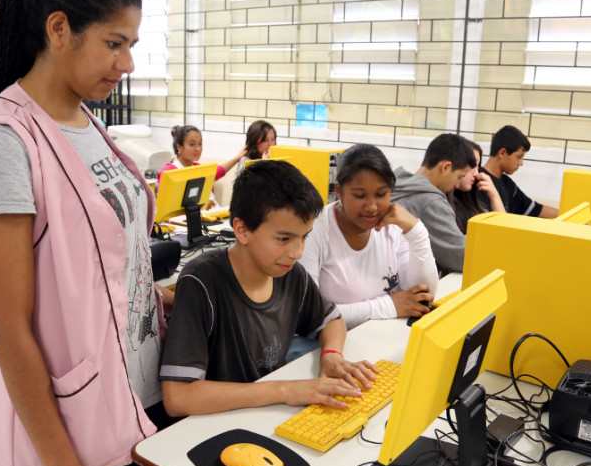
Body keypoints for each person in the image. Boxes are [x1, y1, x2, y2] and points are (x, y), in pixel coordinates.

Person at [0, 0, 173, 466]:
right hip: (83, 423)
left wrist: (147, 294)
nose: (126, 64)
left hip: (147, 388)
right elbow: (8, 327)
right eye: (114, 44)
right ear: (59, 29)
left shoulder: (87, 121)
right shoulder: (6, 141)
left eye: (131, 46)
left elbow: (94, 262)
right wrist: (58, 463)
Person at [159, 160, 377, 417]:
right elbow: (178, 397)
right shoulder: (202, 281)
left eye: (304, 237)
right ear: (242, 230)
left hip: (267, 412)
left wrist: (331, 355)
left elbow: (332, 321)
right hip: (219, 420)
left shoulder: (289, 273)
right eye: (283, 238)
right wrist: (286, 390)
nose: (297, 252)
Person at [301, 144, 438, 330]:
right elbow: (310, 315)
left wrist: (417, 233)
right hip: (335, 343)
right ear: (339, 190)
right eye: (359, 196)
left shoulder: (394, 226)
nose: (372, 207)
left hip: (385, 337)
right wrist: (389, 306)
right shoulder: (314, 230)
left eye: (381, 194)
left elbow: (423, 297)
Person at [389, 133, 475, 275]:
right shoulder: (430, 201)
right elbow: (461, 256)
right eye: (459, 176)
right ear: (445, 167)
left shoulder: (396, 184)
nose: (456, 184)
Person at [480, 125, 558, 218]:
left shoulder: (507, 184)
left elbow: (535, 210)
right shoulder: (479, 183)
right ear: (502, 153)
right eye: (519, 157)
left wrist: (569, 215)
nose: (521, 163)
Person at [448, 140, 505, 233]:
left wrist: (494, 195)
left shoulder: (472, 200)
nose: (476, 174)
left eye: (477, 167)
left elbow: (503, 230)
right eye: (472, 166)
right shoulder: (443, 203)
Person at [157, 124, 245, 182]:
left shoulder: (198, 168)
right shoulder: (168, 171)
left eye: (200, 144)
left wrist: (237, 158)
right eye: (192, 144)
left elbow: (218, 171)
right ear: (179, 147)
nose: (198, 149)